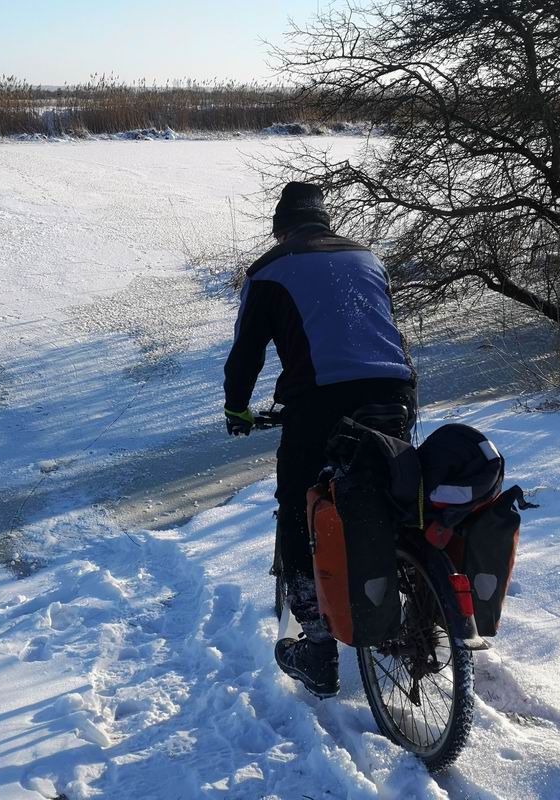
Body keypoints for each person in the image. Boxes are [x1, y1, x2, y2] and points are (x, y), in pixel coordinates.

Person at [223, 182, 416, 698]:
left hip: (320, 404)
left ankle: (318, 649)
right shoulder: (366, 256)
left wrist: (236, 408)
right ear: (325, 222)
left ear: (280, 227)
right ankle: (421, 599)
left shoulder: (268, 268)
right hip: (394, 389)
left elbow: (247, 354)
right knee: (393, 490)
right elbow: (385, 328)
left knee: (298, 508)